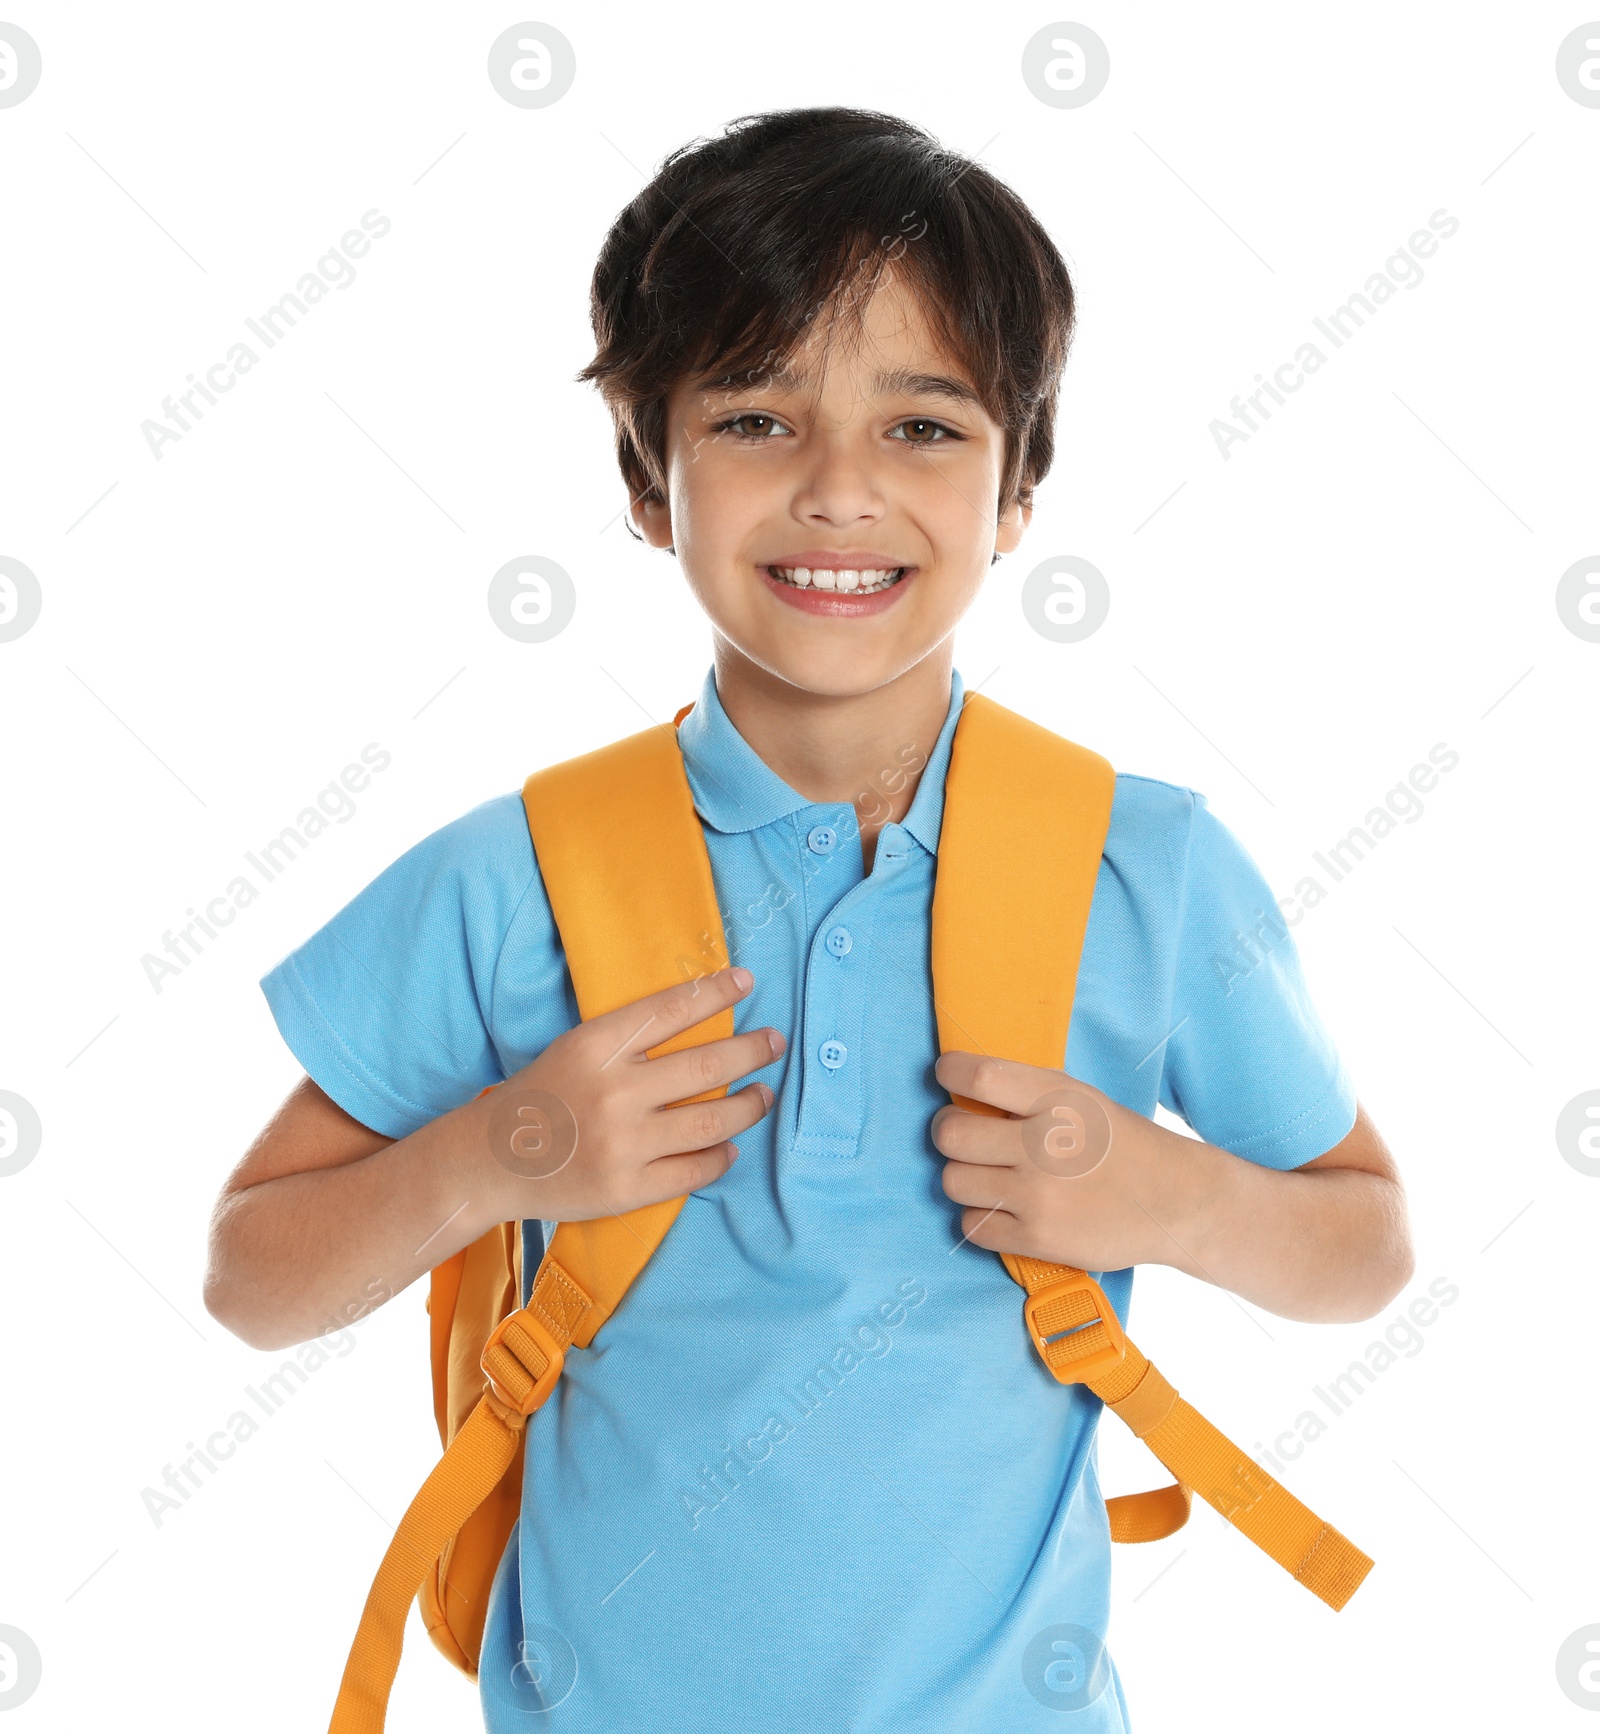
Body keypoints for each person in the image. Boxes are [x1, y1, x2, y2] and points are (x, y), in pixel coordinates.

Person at [204, 107, 1414, 1730]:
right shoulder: (519, 876)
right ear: (651, 478)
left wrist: (1175, 1198)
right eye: (759, 418)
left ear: (1020, 488)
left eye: (923, 428)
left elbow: (1364, 1240)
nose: (841, 492)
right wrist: (504, 1152)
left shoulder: (1150, 868)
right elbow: (251, 1273)